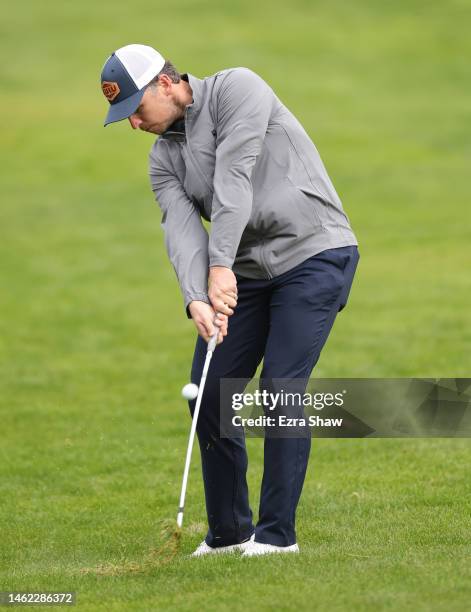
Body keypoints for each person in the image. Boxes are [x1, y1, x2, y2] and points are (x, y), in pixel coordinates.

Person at [100, 44, 360, 557]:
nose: (134, 124)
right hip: (247, 273)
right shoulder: (162, 160)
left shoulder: (238, 88)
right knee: (209, 393)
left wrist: (220, 268)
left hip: (314, 252)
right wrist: (196, 298)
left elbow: (233, 181)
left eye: (135, 110)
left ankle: (276, 537)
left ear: (165, 84)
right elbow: (180, 232)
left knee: (281, 386)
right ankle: (228, 534)